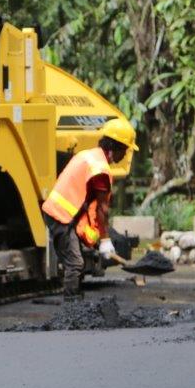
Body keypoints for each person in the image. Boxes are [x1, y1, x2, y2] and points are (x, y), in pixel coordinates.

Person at [42, 118, 137, 299]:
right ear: (114, 148)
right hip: (60, 215)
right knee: (75, 263)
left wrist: (94, 236)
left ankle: (75, 302)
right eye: (124, 150)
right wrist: (105, 240)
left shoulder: (89, 155)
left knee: (77, 257)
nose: (124, 155)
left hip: (62, 212)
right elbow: (103, 210)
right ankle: (72, 307)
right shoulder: (100, 170)